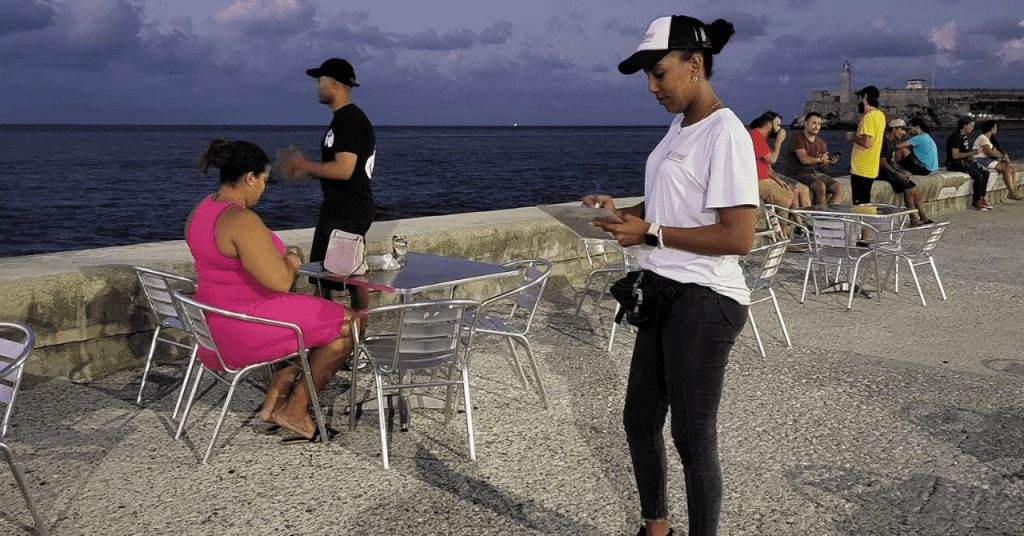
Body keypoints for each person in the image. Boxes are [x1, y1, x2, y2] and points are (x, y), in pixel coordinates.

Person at [585, 15, 758, 536]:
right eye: (647, 76)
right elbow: (669, 205)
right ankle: (656, 528)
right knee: (639, 420)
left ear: (694, 65)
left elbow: (738, 237)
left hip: (705, 299)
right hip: (663, 292)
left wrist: (652, 232)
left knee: (691, 435)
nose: (652, 86)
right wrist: (626, 213)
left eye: (659, 73)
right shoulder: (680, 127)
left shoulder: (725, 132)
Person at [186, 139, 355, 440]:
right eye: (263, 179)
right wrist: (291, 260)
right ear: (250, 177)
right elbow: (280, 282)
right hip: (243, 326)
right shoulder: (240, 218)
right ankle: (295, 409)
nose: (263, 188)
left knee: (317, 318)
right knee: (351, 323)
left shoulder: (202, 210)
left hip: (213, 325)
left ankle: (275, 404)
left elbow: (234, 264)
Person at [281, 58, 376, 313]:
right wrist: (309, 168)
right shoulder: (341, 120)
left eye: (319, 80)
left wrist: (305, 166)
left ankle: (354, 344)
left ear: (333, 83)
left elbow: (344, 170)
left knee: (352, 281)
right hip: (335, 211)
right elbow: (336, 169)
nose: (316, 86)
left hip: (348, 213)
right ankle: (327, 340)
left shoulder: (350, 120)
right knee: (323, 280)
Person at [879, 119, 932, 225]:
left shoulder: (892, 141)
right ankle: (913, 218)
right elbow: (882, 162)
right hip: (882, 172)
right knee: (909, 189)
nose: (904, 133)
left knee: (914, 187)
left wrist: (898, 171)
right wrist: (897, 173)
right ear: (894, 129)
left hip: (890, 171)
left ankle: (923, 216)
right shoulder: (883, 141)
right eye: (902, 130)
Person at [785, 112, 845, 205]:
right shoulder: (797, 138)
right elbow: (804, 160)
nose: (817, 126)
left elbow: (822, 168)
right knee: (820, 186)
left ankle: (830, 216)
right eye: (814, 123)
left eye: (819, 124)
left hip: (815, 173)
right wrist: (820, 159)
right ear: (806, 124)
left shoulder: (821, 143)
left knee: (839, 188)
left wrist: (829, 163)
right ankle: (820, 215)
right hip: (797, 173)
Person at [846, 86, 886, 205]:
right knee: (865, 201)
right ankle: (866, 222)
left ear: (865, 98)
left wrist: (852, 137)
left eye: (859, 98)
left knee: (860, 204)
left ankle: (863, 223)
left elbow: (867, 143)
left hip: (861, 168)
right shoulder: (880, 115)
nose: (858, 101)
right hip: (871, 166)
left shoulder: (868, 117)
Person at [945, 117, 992, 211]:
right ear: (965, 126)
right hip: (954, 163)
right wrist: (973, 153)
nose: (972, 128)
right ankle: (976, 200)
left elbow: (966, 153)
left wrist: (974, 161)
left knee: (985, 173)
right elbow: (955, 155)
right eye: (971, 126)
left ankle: (982, 197)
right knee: (978, 176)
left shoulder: (965, 137)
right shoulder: (956, 137)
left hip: (965, 161)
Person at [973, 120, 1022, 200]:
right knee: (1006, 169)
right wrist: (1002, 157)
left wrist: (1003, 157)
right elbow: (990, 153)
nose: (996, 129)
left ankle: (1012, 192)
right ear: (991, 128)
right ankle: (1013, 193)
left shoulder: (987, 139)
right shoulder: (983, 138)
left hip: (986, 159)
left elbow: (994, 153)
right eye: (995, 127)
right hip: (981, 160)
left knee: (1011, 169)